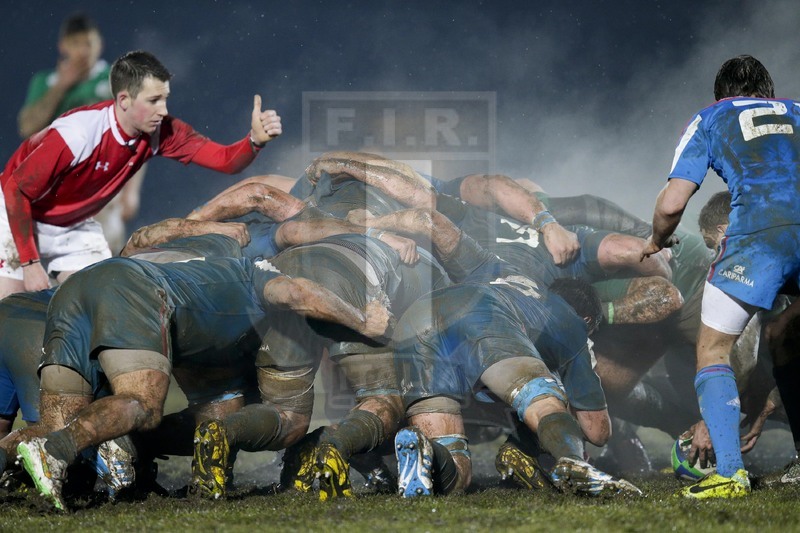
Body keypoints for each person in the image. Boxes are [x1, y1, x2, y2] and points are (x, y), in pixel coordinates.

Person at [11, 253, 389, 511]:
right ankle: (57, 450)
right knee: (141, 405)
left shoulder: (204, 276)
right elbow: (296, 293)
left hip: (77, 287)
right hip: (130, 288)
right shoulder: (256, 270)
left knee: (53, 423)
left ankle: (38, 450)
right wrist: (363, 320)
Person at [641, 55, 800, 499]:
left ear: (722, 95)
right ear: (769, 91)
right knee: (786, 334)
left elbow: (672, 203)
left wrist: (656, 240)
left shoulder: (709, 118)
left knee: (712, 349)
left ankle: (730, 473)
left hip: (760, 238)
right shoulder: (799, 112)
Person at [0, 49, 282, 299]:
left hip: (72, 226)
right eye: (154, 100)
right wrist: (29, 262)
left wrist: (254, 141)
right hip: (16, 215)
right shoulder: (77, 133)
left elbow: (225, 161)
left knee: (104, 305)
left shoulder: (163, 131)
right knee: (9, 311)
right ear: (124, 100)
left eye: (166, 99)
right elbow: (16, 190)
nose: (164, 110)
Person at [17, 13, 148, 256]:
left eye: (88, 43)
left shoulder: (116, 81)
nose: (83, 51)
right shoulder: (46, 82)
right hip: (54, 189)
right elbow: (27, 127)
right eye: (76, 43)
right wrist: (61, 87)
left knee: (102, 255)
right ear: (63, 46)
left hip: (102, 186)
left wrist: (131, 192)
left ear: (100, 44)